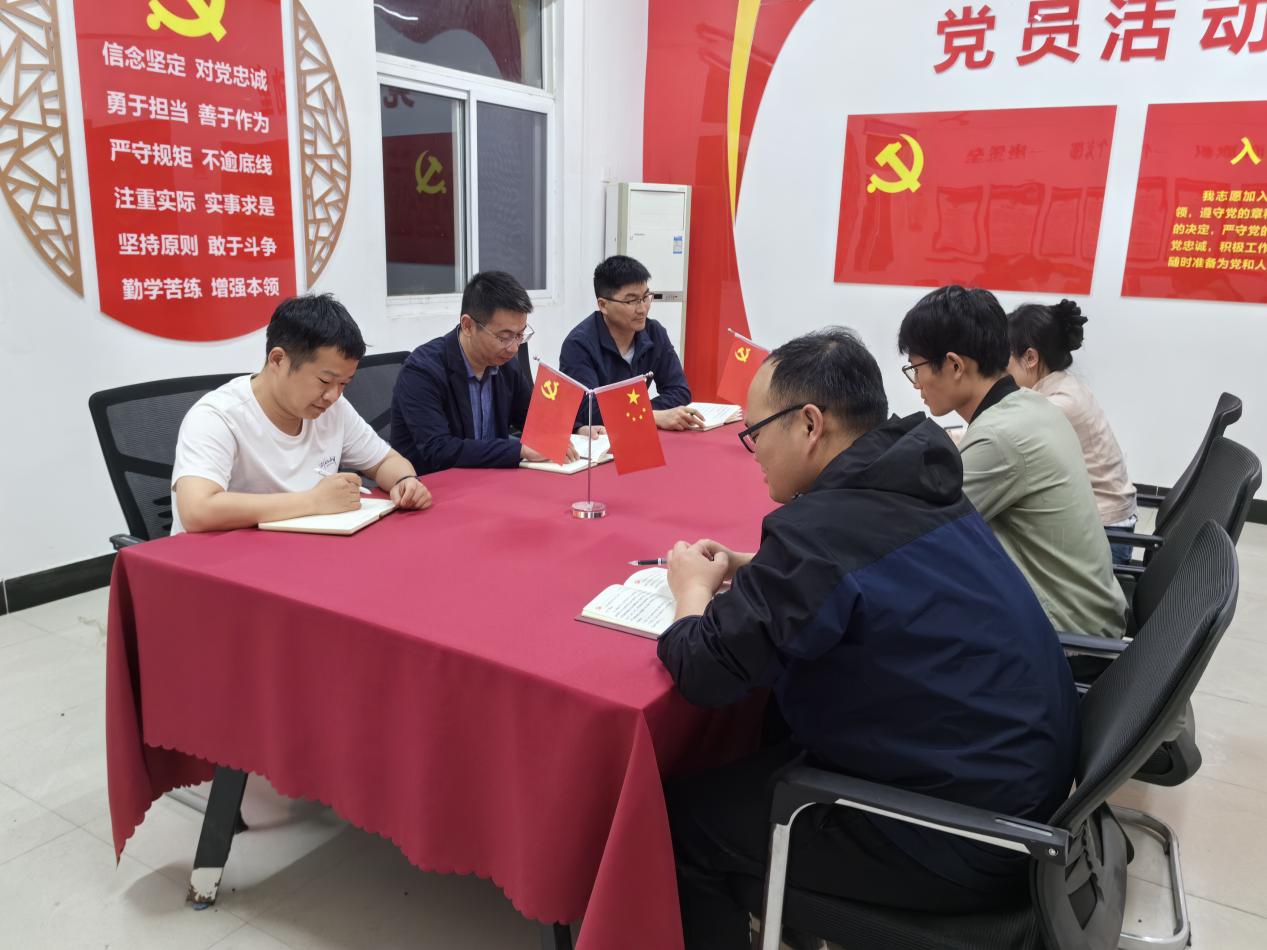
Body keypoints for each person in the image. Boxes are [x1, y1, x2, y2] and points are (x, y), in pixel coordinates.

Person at [658, 328, 1078, 950]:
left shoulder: (820, 532)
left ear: (809, 425)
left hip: (960, 836)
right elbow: (863, 570)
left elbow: (705, 668)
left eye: (755, 433)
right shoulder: (917, 476)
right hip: (1020, 791)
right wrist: (760, 567)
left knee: (677, 822)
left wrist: (690, 592)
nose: (753, 451)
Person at [898, 285, 1127, 637]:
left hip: (1065, 637)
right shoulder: (1030, 405)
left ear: (955, 365)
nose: (917, 385)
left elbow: (920, 536)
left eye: (917, 368)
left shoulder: (1000, 436)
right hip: (1084, 613)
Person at [172, 294, 432, 534]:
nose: (333, 395)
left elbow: (385, 461)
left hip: (302, 550)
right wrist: (313, 501)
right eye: (324, 381)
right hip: (223, 558)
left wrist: (404, 481)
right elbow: (197, 511)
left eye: (344, 383)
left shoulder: (333, 408)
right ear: (277, 360)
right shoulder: (217, 416)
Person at [390, 271, 602, 473]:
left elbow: (531, 415)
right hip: (432, 486)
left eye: (520, 335)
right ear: (468, 326)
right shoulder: (422, 371)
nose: (513, 348)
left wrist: (577, 429)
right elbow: (439, 450)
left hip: (490, 479)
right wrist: (520, 450)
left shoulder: (505, 365)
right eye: (504, 337)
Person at [1008, 299, 1138, 564]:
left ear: (1030, 358)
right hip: (1105, 526)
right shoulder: (1063, 387)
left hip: (1106, 539)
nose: (1001, 368)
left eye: (1005, 357)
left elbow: (1003, 439)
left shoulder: (1058, 404)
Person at [559, 255, 702, 430]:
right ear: (603, 305)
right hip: (601, 441)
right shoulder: (578, 344)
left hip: (637, 434)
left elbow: (679, 391)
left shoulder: (654, 332)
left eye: (645, 297)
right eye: (631, 301)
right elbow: (588, 411)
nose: (642, 309)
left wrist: (643, 414)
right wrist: (650, 416)